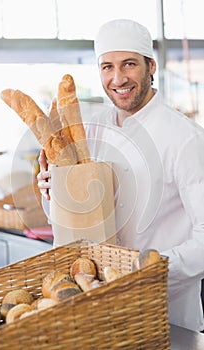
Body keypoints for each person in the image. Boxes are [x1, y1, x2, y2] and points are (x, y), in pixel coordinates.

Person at [37, 19, 204, 332]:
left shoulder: (186, 139)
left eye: (129, 64)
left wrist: (144, 271)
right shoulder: (91, 131)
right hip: (99, 304)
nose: (118, 78)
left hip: (166, 309)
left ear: (150, 66)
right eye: (107, 67)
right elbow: (77, 218)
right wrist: (52, 192)